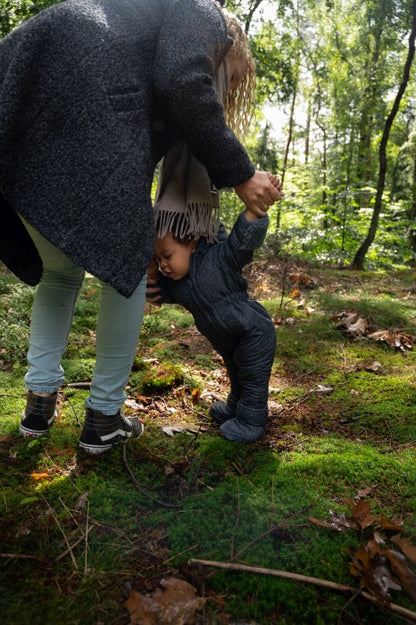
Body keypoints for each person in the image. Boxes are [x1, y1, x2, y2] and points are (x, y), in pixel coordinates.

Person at [0, 0, 282, 454]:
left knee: (58, 274)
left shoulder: (135, 25)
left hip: (18, 102)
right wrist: (241, 173)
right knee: (128, 271)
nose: (223, 89)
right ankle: (104, 417)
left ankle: (39, 402)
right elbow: (183, 81)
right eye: (231, 75)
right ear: (229, 49)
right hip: (86, 109)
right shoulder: (203, 12)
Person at [147, 13, 281, 443]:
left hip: (251, 331)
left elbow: (241, 245)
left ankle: (251, 419)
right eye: (160, 259)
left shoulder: (215, 259)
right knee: (236, 373)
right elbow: (167, 292)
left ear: (188, 240)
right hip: (228, 340)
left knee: (252, 378)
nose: (165, 265)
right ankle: (237, 407)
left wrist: (254, 215)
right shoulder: (178, 278)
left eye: (166, 257)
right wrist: (154, 288)